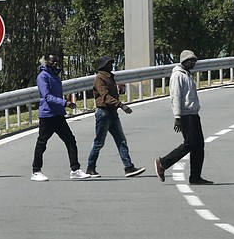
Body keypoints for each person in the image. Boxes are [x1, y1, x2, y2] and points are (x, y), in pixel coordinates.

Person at [155, 50, 213, 185]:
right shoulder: (178, 76)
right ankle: (163, 162)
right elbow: (175, 97)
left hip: (193, 114)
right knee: (190, 143)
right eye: (190, 60)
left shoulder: (187, 75)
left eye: (194, 60)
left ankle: (195, 177)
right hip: (186, 115)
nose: (193, 63)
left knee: (199, 145)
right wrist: (177, 117)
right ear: (183, 61)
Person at [31, 53, 90, 181]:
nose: (56, 63)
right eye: (53, 61)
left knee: (70, 140)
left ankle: (75, 169)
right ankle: (36, 171)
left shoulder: (55, 76)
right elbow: (46, 96)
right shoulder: (43, 76)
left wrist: (63, 105)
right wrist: (65, 102)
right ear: (46, 62)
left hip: (58, 114)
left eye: (57, 61)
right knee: (42, 143)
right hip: (47, 115)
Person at [85, 56, 145, 178]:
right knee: (99, 142)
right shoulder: (100, 78)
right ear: (103, 65)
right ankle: (90, 168)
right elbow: (105, 96)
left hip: (112, 113)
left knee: (121, 140)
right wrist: (121, 105)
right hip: (104, 113)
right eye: (109, 63)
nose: (111, 65)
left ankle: (128, 167)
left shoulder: (109, 77)